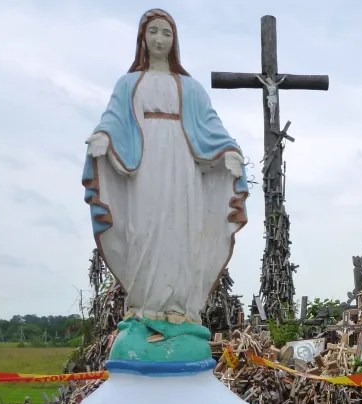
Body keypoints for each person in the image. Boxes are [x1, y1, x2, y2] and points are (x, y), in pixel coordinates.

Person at [82, 9, 248, 366]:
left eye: (166, 33)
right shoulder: (129, 83)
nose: (159, 39)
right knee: (145, 231)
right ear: (143, 38)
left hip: (183, 165)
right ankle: (145, 309)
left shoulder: (190, 87)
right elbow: (113, 117)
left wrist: (230, 152)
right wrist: (103, 136)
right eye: (153, 32)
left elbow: (211, 125)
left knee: (180, 233)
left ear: (175, 41)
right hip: (145, 166)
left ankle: (179, 312)